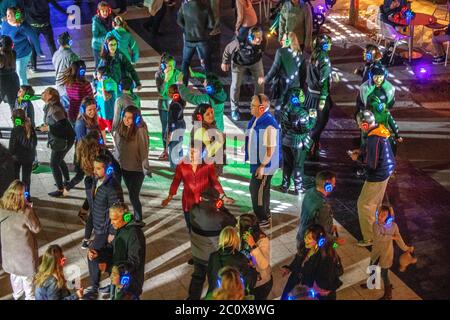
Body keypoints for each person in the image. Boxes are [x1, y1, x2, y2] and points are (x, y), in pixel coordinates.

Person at [161, 143, 234, 233]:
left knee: (203, 229)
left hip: (204, 205)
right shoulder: (182, 165)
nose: (191, 154)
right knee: (191, 229)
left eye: (194, 152)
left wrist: (223, 196)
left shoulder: (208, 165)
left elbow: (215, 182)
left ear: (200, 153)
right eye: (189, 151)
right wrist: (169, 197)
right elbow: (176, 181)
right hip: (188, 204)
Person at [349, 111, 396, 247]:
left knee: (364, 205)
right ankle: (378, 227)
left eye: (359, 125)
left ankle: (370, 237)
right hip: (386, 171)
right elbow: (376, 153)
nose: (359, 127)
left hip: (378, 175)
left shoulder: (373, 138)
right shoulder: (380, 131)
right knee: (375, 203)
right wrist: (363, 152)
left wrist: (357, 158)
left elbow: (372, 163)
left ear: (364, 124)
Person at [84, 154, 124, 299]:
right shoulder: (97, 181)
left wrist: (112, 232)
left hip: (106, 229)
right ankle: (114, 283)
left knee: (93, 255)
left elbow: (119, 211)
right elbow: (93, 205)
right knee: (106, 258)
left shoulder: (112, 188)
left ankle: (94, 288)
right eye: (94, 168)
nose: (95, 171)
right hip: (99, 225)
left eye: (99, 168)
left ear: (107, 170)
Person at [89, 202, 146, 299]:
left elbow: (134, 262)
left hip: (129, 286)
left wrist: (116, 270)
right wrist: (98, 254)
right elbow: (112, 248)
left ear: (126, 217)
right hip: (118, 279)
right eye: (111, 219)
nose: (111, 222)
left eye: (114, 219)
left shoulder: (135, 235)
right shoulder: (122, 229)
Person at [76, 131, 121, 246]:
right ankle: (88, 238)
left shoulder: (109, 186)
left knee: (97, 211)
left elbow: (116, 209)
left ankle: (90, 239)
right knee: (95, 210)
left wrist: (112, 232)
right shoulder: (101, 155)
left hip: (102, 185)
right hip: (97, 184)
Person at [0, 180, 41, 300]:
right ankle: (29, 297)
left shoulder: (1, 208)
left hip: (9, 253)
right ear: (20, 196)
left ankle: (17, 295)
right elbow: (36, 228)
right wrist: (31, 210)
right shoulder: (26, 212)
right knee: (27, 280)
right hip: (24, 256)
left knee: (14, 276)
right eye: (24, 193)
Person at [245, 94, 281, 227]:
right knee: (263, 189)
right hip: (259, 161)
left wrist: (262, 166)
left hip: (265, 164)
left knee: (257, 190)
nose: (250, 107)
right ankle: (265, 212)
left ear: (261, 108)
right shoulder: (258, 118)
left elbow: (270, 150)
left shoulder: (269, 125)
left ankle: (262, 219)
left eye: (253, 105)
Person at [281, 224, 343, 300]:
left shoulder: (326, 256)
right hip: (295, 284)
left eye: (309, 238)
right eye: (305, 236)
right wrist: (289, 268)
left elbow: (338, 271)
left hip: (309, 292)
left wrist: (326, 288)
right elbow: (297, 260)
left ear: (319, 241)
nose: (305, 240)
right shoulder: (306, 247)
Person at [113, 105, 151, 225]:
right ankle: (130, 217)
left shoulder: (140, 130)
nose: (126, 119)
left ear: (136, 119)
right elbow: (117, 149)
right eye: (124, 116)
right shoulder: (120, 128)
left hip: (137, 169)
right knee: (130, 193)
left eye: (130, 117)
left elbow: (144, 150)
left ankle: (139, 219)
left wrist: (145, 168)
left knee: (134, 195)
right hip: (124, 168)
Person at [260, 32, 307, 121]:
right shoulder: (300, 55)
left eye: (283, 40)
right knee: (293, 108)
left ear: (288, 42)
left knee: (280, 107)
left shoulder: (281, 52)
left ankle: (279, 126)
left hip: (283, 86)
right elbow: (303, 75)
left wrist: (265, 79)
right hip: (295, 87)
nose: (281, 42)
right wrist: (301, 88)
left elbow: (274, 68)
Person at [222, 26, 266, 121]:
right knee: (235, 85)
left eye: (261, 37)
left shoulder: (263, 41)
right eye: (258, 38)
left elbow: (261, 51)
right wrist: (224, 62)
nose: (261, 40)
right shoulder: (239, 42)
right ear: (250, 38)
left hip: (255, 62)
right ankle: (234, 109)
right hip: (239, 63)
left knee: (260, 83)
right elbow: (227, 50)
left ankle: (257, 106)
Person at [278, 89, 316, 194]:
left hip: (286, 141)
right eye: (301, 95)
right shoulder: (303, 113)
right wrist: (313, 118)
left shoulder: (285, 109)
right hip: (298, 142)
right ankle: (298, 188)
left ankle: (284, 186)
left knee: (287, 165)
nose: (303, 97)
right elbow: (306, 128)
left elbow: (283, 126)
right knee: (298, 165)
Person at [40, 87, 76, 198]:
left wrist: (49, 128)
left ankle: (61, 190)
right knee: (59, 160)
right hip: (63, 138)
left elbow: (62, 125)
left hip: (63, 139)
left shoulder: (55, 109)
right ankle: (67, 181)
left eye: (45, 92)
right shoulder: (50, 106)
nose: (42, 93)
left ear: (51, 96)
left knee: (54, 163)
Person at [22, 0, 72, 72]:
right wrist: (67, 14)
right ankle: (57, 65)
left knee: (33, 47)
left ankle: (33, 67)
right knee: (51, 45)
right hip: (46, 25)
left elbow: (18, 8)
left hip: (33, 27)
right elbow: (56, 5)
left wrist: (17, 20)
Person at [206, 226, 258, 297]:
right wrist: (253, 269)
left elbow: (210, 277)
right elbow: (249, 282)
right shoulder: (240, 258)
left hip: (215, 295)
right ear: (235, 239)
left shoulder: (213, 256)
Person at [305, 34, 333, 160]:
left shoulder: (314, 55)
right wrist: (323, 99)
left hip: (310, 95)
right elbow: (324, 80)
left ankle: (314, 146)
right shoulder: (324, 59)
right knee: (319, 124)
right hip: (319, 98)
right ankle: (306, 145)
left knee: (311, 122)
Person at [1, 7, 43, 85]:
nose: (7, 16)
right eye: (7, 14)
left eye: (9, 15)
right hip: (9, 54)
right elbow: (2, 34)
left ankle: (25, 90)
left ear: (15, 16)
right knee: (12, 71)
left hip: (22, 53)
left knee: (20, 72)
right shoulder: (4, 22)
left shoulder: (23, 26)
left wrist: (38, 51)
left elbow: (34, 37)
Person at [177, 0, 214, 86]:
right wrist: (205, 31)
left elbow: (179, 21)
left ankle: (184, 85)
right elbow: (211, 24)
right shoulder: (206, 6)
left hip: (189, 39)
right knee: (207, 62)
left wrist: (186, 28)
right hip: (203, 39)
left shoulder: (184, 6)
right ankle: (210, 85)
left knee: (186, 62)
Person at [296, 170, 337, 248]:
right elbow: (324, 232)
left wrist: (330, 226)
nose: (334, 185)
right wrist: (335, 242)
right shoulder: (323, 205)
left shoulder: (310, 192)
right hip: (313, 243)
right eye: (333, 183)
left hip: (302, 236)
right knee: (334, 247)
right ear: (327, 185)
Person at [237, 214, 272, 300]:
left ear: (247, 229)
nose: (237, 226)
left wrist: (253, 245)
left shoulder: (263, 240)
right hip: (249, 280)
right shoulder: (242, 236)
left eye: (239, 225)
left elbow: (264, 265)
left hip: (261, 284)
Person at [155, 53, 182, 160]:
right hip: (163, 105)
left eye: (172, 65)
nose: (170, 68)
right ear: (163, 66)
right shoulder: (159, 75)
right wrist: (166, 79)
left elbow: (181, 91)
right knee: (165, 129)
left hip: (175, 105)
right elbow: (161, 92)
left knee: (176, 128)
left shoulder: (178, 74)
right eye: (167, 65)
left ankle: (175, 150)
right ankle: (165, 150)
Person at [190, 103, 226, 175]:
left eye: (212, 112)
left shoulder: (209, 125)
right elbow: (210, 151)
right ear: (200, 117)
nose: (211, 115)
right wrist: (220, 140)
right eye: (207, 114)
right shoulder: (201, 130)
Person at [9, 108, 37, 192]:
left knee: (15, 178)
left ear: (16, 120)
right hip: (29, 158)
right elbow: (34, 143)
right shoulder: (30, 128)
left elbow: (11, 148)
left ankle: (17, 196)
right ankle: (26, 198)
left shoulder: (15, 130)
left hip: (17, 158)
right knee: (26, 179)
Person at [59, 60, 94, 124]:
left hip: (72, 111)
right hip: (83, 113)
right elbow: (91, 98)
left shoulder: (68, 83)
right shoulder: (85, 84)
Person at [354, 44, 383, 114]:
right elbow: (367, 77)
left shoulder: (376, 67)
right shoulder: (368, 65)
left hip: (369, 92)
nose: (364, 54)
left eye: (366, 53)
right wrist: (360, 73)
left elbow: (377, 81)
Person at [52, 31, 80, 97]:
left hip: (59, 84)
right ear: (69, 42)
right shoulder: (72, 56)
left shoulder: (55, 54)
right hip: (68, 88)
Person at [166, 84, 186, 169]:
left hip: (176, 128)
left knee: (173, 149)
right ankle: (181, 167)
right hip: (181, 125)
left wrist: (170, 133)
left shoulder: (174, 104)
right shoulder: (180, 101)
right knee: (179, 147)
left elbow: (172, 120)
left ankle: (175, 169)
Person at [93, 66, 117, 132]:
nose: (96, 76)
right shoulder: (99, 82)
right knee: (101, 131)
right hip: (100, 113)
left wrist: (103, 83)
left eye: (98, 74)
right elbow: (98, 94)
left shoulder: (111, 83)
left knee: (112, 133)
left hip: (109, 114)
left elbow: (105, 98)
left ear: (103, 75)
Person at [0, 35, 20, 113]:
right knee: (14, 105)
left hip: (1, 81)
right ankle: (17, 123)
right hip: (13, 80)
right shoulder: (13, 53)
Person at [91, 1, 114, 67]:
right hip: (98, 46)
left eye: (106, 11)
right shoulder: (95, 21)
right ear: (99, 12)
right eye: (103, 11)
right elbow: (95, 36)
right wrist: (107, 38)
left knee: (108, 63)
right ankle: (96, 76)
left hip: (108, 46)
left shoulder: (111, 18)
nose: (105, 13)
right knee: (99, 65)